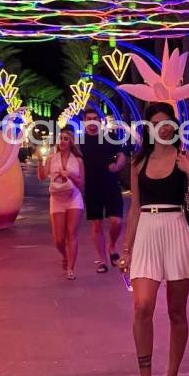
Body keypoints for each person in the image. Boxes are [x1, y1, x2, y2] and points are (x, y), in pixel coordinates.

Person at [119, 103, 189, 376]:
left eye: (167, 122)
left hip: (177, 231)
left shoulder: (186, 158)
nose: (163, 128)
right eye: (156, 124)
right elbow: (134, 208)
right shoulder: (138, 161)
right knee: (142, 306)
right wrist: (127, 250)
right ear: (149, 128)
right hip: (146, 233)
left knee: (176, 311)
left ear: (175, 124)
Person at [80, 104, 128, 273]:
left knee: (117, 221)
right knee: (96, 225)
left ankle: (112, 245)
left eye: (95, 119)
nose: (92, 122)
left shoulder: (110, 137)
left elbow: (122, 155)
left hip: (111, 185)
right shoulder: (80, 142)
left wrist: (118, 165)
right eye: (88, 119)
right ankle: (102, 260)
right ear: (84, 122)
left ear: (100, 121)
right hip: (92, 187)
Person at [38, 126, 85, 280]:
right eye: (61, 139)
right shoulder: (52, 158)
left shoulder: (78, 161)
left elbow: (81, 183)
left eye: (66, 139)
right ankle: (65, 256)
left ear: (71, 142)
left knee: (71, 234)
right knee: (58, 239)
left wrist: (70, 175)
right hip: (57, 199)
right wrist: (40, 161)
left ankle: (71, 268)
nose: (63, 141)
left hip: (73, 198)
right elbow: (42, 176)